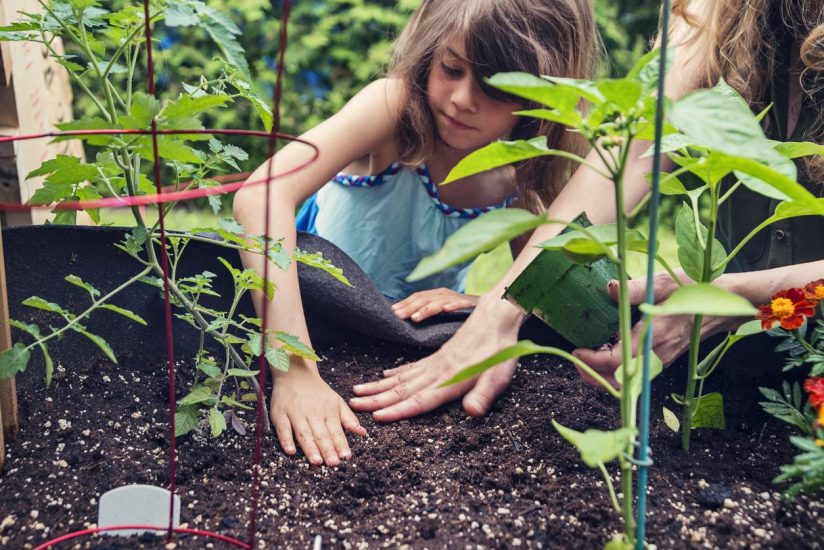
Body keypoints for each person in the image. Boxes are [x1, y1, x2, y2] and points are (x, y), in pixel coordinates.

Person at [349, 0, 824, 419]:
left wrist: (731, 295)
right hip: (743, 368)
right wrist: (499, 310)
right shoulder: (724, 10)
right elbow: (641, 139)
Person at [233, 0, 598, 466]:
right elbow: (261, 197)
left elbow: (546, 286)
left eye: (497, 87)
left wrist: (480, 303)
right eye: (452, 69)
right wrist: (295, 372)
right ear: (432, 51)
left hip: (406, 344)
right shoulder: (393, 110)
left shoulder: (518, 172)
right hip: (311, 313)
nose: (463, 98)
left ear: (543, 97)